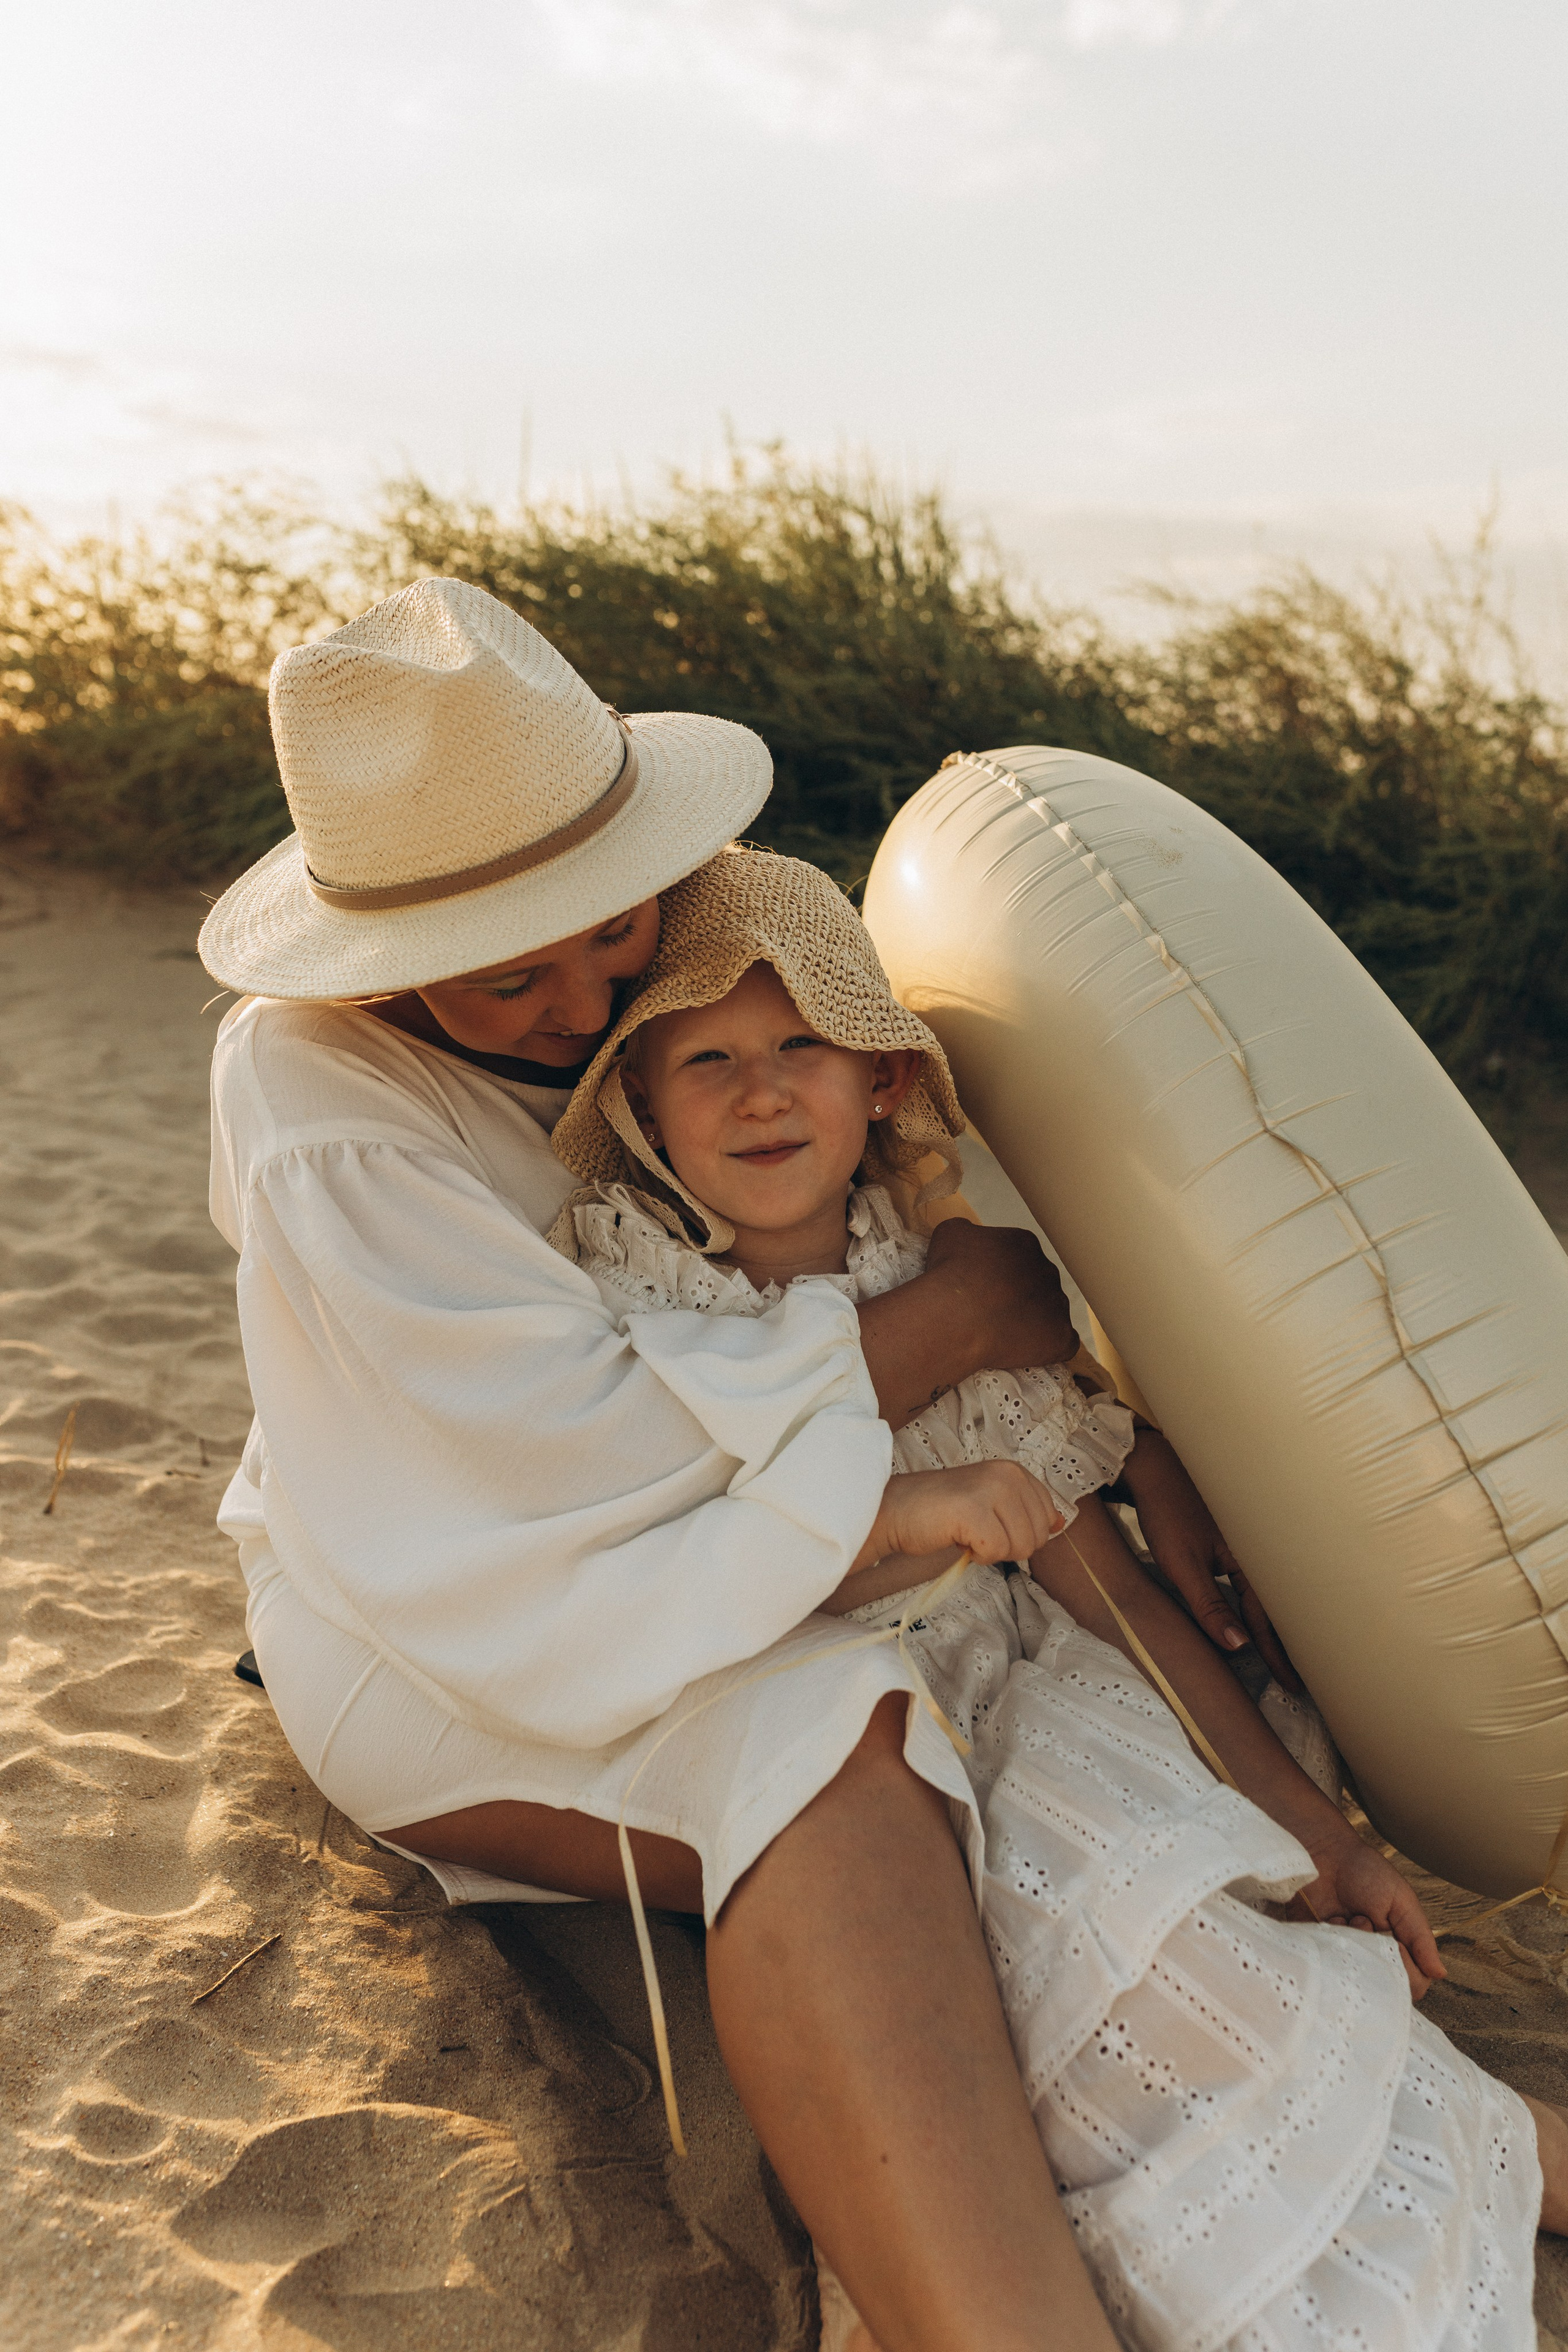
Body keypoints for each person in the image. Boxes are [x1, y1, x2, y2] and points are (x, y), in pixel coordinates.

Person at [198, 578, 1562, 2351]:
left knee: (1101, 1711)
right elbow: (597, 1482)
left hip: (782, 1517)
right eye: (507, 962)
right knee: (838, 1739)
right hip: (461, 1587)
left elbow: (894, 1207)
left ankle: (1410, 2126)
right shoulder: (328, 1126)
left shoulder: (696, 956)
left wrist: (1122, 1410)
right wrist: (971, 1324)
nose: (572, 993)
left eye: (596, 928)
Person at [540, 843, 1558, 2350]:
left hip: (1026, 1697)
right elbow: (654, 1552)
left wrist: (1321, 1830)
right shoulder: (629, 1297)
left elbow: (1114, 1595)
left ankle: (1498, 2150)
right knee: (1052, 1987)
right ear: (638, 1104)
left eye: (802, 1048)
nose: (761, 1094)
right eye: (707, 1060)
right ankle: (1494, 2157)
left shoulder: (943, 1285)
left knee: (1171, 1916)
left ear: (880, 1087)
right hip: (829, 1720)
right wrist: (908, 1513)